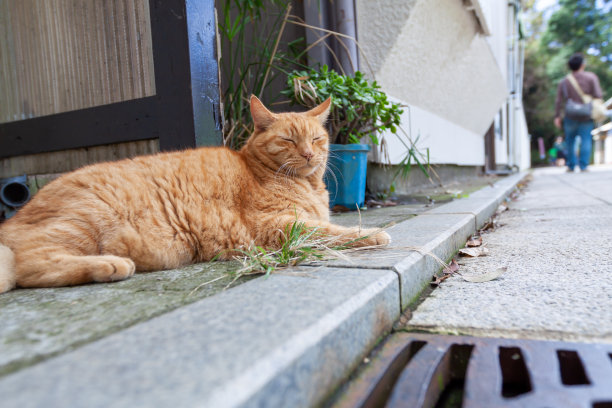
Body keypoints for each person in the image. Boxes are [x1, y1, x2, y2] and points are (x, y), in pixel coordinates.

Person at [554, 53, 603, 172]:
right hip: (586, 114)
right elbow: (598, 95)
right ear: (582, 65)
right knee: (586, 139)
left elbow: (559, 100)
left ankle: (571, 165)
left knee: (570, 141)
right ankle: (583, 166)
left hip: (570, 114)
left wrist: (557, 116)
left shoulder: (564, 81)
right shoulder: (591, 77)